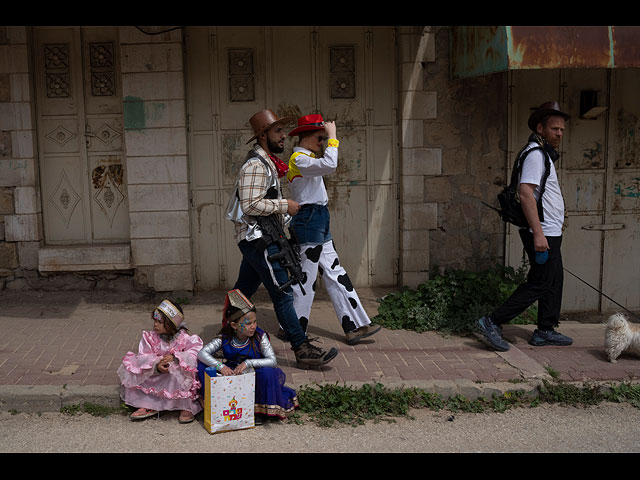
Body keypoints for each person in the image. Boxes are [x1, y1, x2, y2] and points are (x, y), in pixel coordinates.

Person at [225, 109, 338, 368]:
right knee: (283, 291)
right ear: (262, 135)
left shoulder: (266, 163)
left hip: (260, 236)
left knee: (242, 291)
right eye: (277, 131)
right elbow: (250, 205)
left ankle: (226, 340)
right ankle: (301, 348)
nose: (284, 136)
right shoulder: (255, 164)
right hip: (258, 238)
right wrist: (284, 205)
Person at [476, 101, 573, 351]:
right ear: (541, 128)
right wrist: (539, 234)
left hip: (550, 231)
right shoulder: (536, 154)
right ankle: (492, 321)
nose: (559, 133)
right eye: (555, 129)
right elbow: (526, 194)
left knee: (554, 279)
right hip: (541, 233)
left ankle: (545, 330)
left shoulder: (544, 153)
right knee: (540, 282)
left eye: (562, 129)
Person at [285, 114, 381, 345]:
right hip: (309, 219)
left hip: (317, 218)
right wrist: (334, 137)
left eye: (323, 138)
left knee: (333, 271)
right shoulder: (299, 159)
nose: (322, 142)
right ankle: (292, 327)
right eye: (320, 137)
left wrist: (329, 137)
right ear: (306, 137)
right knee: (306, 277)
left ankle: (355, 325)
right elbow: (330, 164)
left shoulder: (305, 158)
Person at [198, 289, 299, 424]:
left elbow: (272, 361)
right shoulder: (225, 337)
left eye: (255, 322)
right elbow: (202, 353)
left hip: (254, 372)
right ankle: (213, 404)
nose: (253, 326)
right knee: (202, 366)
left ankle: (261, 410)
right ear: (234, 325)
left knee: (268, 372)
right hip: (233, 371)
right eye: (248, 323)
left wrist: (249, 363)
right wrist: (221, 367)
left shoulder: (259, 336)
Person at [117, 300, 203, 423]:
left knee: (178, 374)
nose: (155, 325)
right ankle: (150, 404)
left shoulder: (184, 338)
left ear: (171, 324)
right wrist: (156, 364)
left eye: (160, 322)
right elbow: (143, 356)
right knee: (135, 371)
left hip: (173, 375)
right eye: (155, 321)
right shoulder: (150, 337)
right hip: (157, 373)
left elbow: (194, 353)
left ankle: (185, 406)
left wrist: (176, 358)